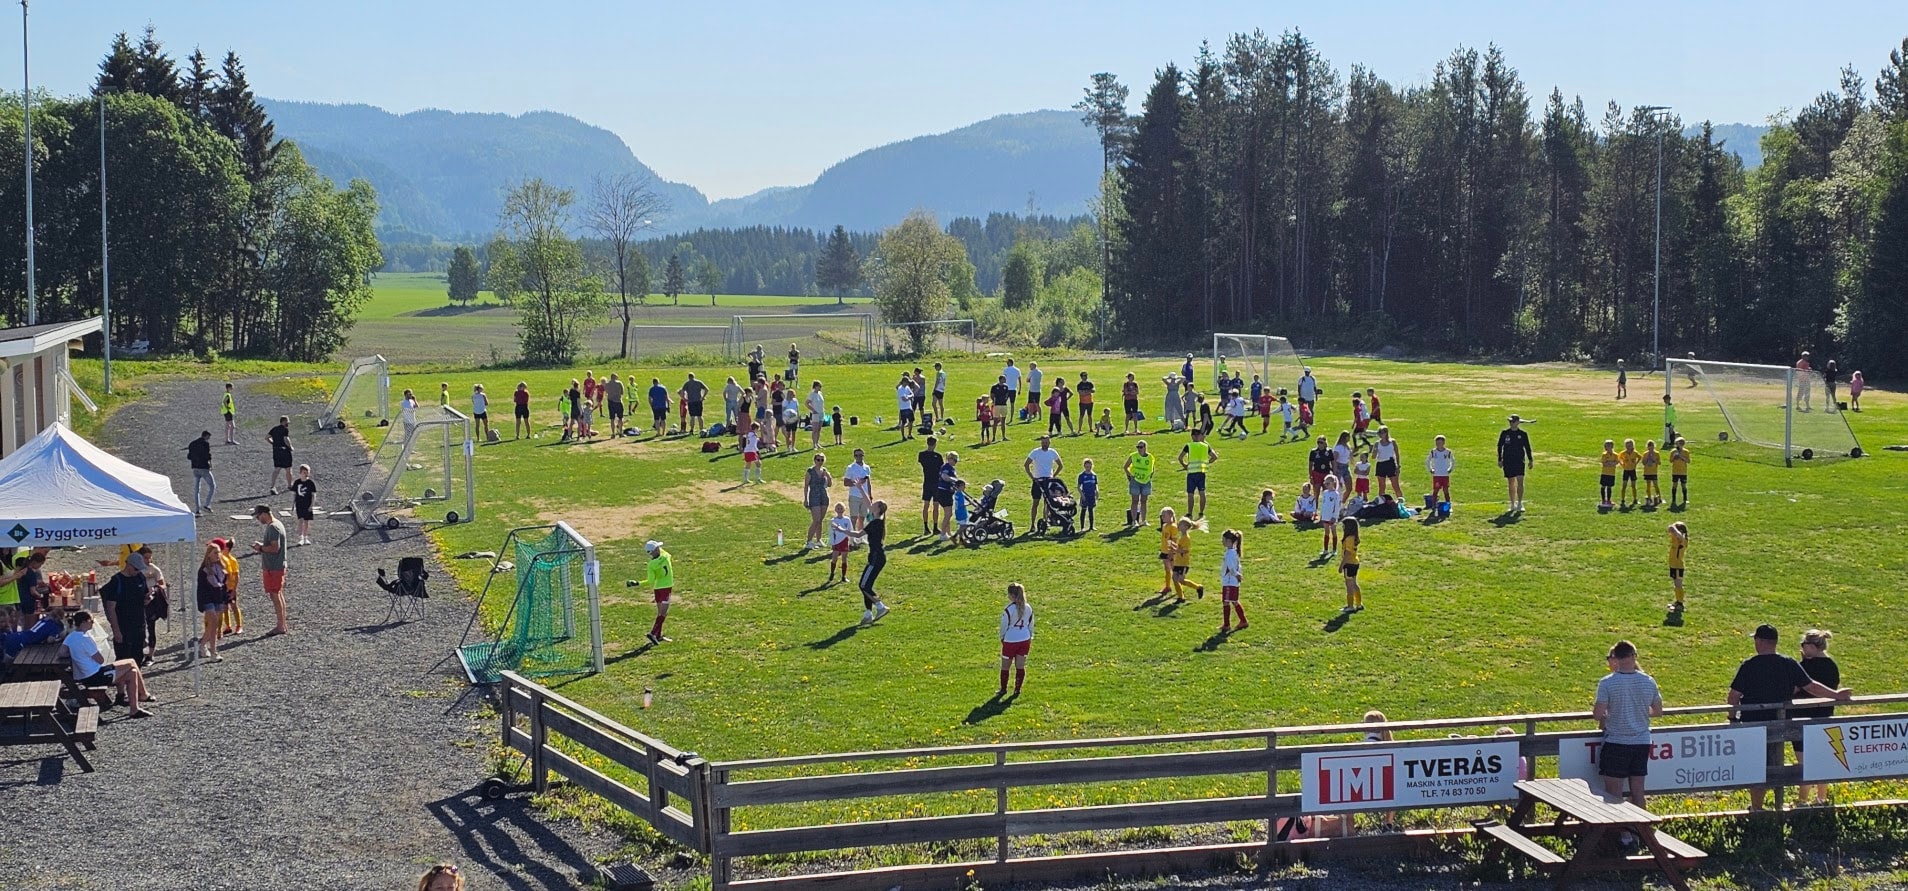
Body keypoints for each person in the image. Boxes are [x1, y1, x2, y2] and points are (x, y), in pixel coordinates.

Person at [1729, 623, 1852, 810]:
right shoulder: (1789, 663)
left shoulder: (1749, 665)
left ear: (1760, 641)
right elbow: (1812, 687)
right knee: (1777, 762)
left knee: (1757, 767)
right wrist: (1837, 695)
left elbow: (1733, 696)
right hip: (1782, 724)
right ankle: (1781, 803)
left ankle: (1757, 808)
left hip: (1754, 724)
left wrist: (1732, 719)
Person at [1594, 640, 1663, 808]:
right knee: (1638, 790)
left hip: (1617, 742)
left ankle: (1618, 833)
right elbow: (1658, 711)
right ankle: (1639, 831)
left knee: (1613, 793)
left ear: (1615, 658)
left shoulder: (1607, 683)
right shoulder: (1648, 681)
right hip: (1641, 742)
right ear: (1634, 656)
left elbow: (1597, 714)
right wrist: (1638, 712)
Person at [64, 611, 153, 717]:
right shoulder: (85, 639)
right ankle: (143, 695)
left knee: (132, 673)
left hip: (86, 674)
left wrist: (76, 655)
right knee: (131, 662)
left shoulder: (71, 636)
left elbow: (61, 652)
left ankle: (134, 708)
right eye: (91, 621)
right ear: (84, 622)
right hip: (95, 675)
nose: (93, 623)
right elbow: (100, 660)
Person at [1795, 629, 1841, 805]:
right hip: (1825, 716)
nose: (1802, 648)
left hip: (1803, 717)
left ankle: (1802, 800)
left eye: (1804, 645)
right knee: (1822, 758)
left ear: (1812, 646)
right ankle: (1821, 797)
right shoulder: (1832, 665)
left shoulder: (1807, 666)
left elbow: (1796, 687)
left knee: (1804, 762)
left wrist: (1803, 663)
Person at [101, 557, 152, 666]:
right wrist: (116, 630)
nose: (137, 571)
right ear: (128, 565)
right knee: (123, 660)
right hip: (123, 626)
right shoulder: (116, 581)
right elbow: (111, 608)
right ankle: (122, 682)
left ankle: (136, 681)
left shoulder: (140, 577)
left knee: (138, 657)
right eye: (136, 569)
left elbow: (144, 600)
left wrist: (148, 598)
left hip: (139, 625)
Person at [251, 505, 290, 636]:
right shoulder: (277, 524)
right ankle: (282, 624)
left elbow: (275, 548)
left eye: (258, 516)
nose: (258, 519)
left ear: (264, 514)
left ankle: (280, 626)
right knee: (278, 594)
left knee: (275, 594)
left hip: (274, 567)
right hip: (276, 566)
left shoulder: (273, 527)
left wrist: (261, 548)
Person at [858, 501, 892, 627]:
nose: (872, 504)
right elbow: (867, 502)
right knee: (866, 585)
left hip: (875, 558)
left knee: (863, 586)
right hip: (876, 557)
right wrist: (861, 488)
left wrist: (841, 530)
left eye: (875, 504)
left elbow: (858, 534)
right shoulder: (877, 520)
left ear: (878, 509)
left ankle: (880, 606)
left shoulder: (874, 523)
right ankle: (868, 614)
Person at [997, 583, 1033, 697]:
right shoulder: (1028, 608)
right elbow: (1031, 624)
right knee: (1020, 666)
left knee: (1005, 666)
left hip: (1011, 640)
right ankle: (1017, 689)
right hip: (1025, 639)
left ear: (1012, 595)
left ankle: (1003, 689)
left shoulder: (1008, 609)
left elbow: (1004, 626)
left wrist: (1002, 637)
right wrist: (1029, 636)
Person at [195, 541, 229, 662]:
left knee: (213, 625)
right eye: (215, 552)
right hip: (207, 599)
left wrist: (226, 598)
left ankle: (202, 644)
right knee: (214, 622)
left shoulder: (221, 567)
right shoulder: (204, 570)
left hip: (218, 598)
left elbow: (223, 585)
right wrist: (201, 603)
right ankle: (214, 652)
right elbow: (201, 589)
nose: (217, 555)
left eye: (219, 552)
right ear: (209, 554)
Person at [1023, 435, 1062, 534]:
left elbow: (1060, 465)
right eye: (1043, 442)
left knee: (1047, 503)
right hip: (1037, 480)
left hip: (1048, 480)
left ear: (1049, 443)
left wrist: (1053, 476)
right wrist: (1032, 477)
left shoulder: (1052, 452)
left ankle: (1045, 522)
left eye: (1046, 442)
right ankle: (1032, 524)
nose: (1044, 444)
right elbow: (1026, 464)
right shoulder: (1035, 452)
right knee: (1035, 503)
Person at [641, 540, 676, 645]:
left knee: (660, 613)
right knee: (663, 613)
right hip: (666, 588)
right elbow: (666, 554)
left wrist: (637, 583)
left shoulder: (651, 564)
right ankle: (653, 633)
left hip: (658, 589)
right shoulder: (665, 556)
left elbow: (650, 581)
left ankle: (658, 635)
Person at [1178, 428, 1217, 520]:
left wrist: (1185, 465)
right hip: (1201, 472)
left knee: (1190, 494)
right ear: (1200, 435)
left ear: (1191, 436)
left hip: (1191, 473)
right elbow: (1214, 457)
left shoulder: (1189, 445)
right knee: (1202, 492)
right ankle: (1201, 512)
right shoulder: (1205, 446)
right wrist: (1207, 462)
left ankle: (1189, 513)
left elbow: (1180, 458)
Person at [1497, 415, 1533, 513]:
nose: (1511, 423)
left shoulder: (1523, 434)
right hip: (1508, 461)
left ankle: (1520, 503)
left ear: (1517, 423)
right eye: (1510, 421)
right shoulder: (1505, 433)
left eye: (1513, 422)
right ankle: (1512, 503)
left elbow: (1527, 447)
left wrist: (1530, 460)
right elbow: (1500, 446)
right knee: (1511, 482)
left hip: (1519, 461)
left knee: (1520, 481)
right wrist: (1500, 459)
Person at [1220, 528, 1248, 633]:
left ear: (1228, 541)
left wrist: (1237, 575)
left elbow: (1231, 568)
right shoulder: (1233, 552)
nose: (1222, 541)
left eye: (1223, 540)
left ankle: (1229, 624)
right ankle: (1240, 621)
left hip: (1229, 582)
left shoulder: (1230, 554)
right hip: (1232, 582)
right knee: (1232, 601)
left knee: (1227, 602)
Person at [803, 453, 833, 550]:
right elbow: (806, 486)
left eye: (821, 460)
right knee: (816, 520)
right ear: (814, 460)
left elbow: (829, 485)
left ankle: (818, 540)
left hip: (823, 496)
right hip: (814, 496)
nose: (820, 462)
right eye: (818, 460)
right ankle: (809, 541)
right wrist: (805, 499)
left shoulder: (824, 471)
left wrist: (828, 476)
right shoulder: (810, 471)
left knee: (820, 520)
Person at [1123, 440, 1155, 528]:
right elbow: (1126, 467)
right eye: (1138, 447)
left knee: (1144, 501)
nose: (1139, 449)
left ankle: (1144, 520)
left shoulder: (1150, 457)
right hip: (1135, 481)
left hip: (1146, 481)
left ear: (1145, 448)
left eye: (1141, 447)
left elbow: (1152, 469)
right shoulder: (1133, 456)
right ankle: (1134, 520)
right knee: (1135, 501)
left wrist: (1149, 477)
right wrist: (1130, 476)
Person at [917, 436, 944, 536]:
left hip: (927, 482)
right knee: (936, 506)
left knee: (926, 505)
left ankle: (925, 527)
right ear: (935, 444)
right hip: (936, 482)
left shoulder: (922, 455)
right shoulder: (938, 456)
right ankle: (935, 527)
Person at [217, 537, 244, 636]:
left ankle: (239, 625)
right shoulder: (221, 559)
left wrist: (234, 589)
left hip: (230, 587)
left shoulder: (232, 560)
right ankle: (227, 626)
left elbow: (236, 575)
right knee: (224, 607)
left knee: (234, 606)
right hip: (223, 588)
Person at [843, 448, 872, 533]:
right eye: (857, 455)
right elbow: (846, 482)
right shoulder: (850, 467)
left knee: (862, 517)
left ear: (863, 456)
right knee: (853, 517)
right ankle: (852, 537)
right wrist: (857, 483)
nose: (859, 457)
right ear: (854, 456)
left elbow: (868, 482)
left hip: (865, 496)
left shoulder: (867, 467)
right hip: (854, 495)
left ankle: (860, 536)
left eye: (860, 455)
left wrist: (870, 495)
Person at [265, 415, 296, 494]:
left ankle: (272, 486)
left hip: (276, 451)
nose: (287, 424)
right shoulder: (285, 430)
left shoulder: (274, 429)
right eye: (287, 422)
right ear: (283, 421)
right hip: (285, 451)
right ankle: (290, 485)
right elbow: (286, 439)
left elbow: (267, 437)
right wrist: (291, 447)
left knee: (277, 469)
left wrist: (273, 443)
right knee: (288, 469)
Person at [187, 430, 216, 515]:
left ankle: (197, 510)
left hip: (195, 468)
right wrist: (210, 464)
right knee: (212, 486)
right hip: (204, 468)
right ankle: (206, 505)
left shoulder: (192, 444)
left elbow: (189, 456)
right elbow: (207, 456)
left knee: (196, 489)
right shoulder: (205, 444)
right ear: (206, 436)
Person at [825, 503, 854, 584]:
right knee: (834, 558)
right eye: (838, 508)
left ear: (844, 509)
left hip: (844, 541)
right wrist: (832, 543)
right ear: (835, 510)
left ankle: (844, 576)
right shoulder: (833, 521)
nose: (839, 509)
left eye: (841, 508)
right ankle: (832, 573)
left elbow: (850, 530)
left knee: (844, 559)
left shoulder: (847, 520)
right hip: (836, 542)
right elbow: (831, 533)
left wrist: (851, 541)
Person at [1371, 427, 1402, 499]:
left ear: (1386, 433)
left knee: (1395, 485)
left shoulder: (1392, 442)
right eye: (1380, 433)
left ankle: (1401, 502)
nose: (1381, 435)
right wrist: (1374, 450)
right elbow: (1373, 457)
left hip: (1390, 463)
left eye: (1383, 433)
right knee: (1381, 486)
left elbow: (1397, 454)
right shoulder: (1377, 443)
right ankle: (1381, 503)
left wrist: (1398, 465)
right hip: (1381, 464)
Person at [1340, 516, 1363, 613]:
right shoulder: (1354, 537)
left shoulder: (1348, 538)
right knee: (1354, 583)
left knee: (1349, 585)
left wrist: (1341, 565)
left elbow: (1347, 553)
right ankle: (1358, 604)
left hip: (1349, 563)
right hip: (1355, 562)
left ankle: (1350, 606)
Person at [936, 452, 961, 539]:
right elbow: (944, 476)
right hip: (944, 492)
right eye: (954, 460)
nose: (955, 462)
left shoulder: (951, 468)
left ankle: (948, 533)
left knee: (947, 513)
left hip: (947, 492)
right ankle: (943, 534)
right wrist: (954, 480)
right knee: (949, 514)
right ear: (950, 459)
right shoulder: (946, 467)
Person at [1666, 522, 1689, 614]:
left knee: (1678, 584)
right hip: (1673, 565)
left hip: (1678, 566)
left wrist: (1673, 527)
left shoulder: (1681, 540)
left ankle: (1680, 603)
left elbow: (1671, 528)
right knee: (1676, 584)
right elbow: (1669, 529)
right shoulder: (1676, 539)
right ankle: (1678, 601)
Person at [1318, 476, 1343, 558]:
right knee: (1326, 532)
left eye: (1328, 483)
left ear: (1333, 483)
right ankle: (1325, 549)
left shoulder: (1336, 494)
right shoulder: (1325, 493)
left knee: (1333, 531)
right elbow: (1323, 504)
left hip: (1332, 516)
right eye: (1326, 483)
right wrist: (1321, 514)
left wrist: (1335, 516)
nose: (1326, 485)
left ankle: (1334, 550)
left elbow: (1337, 506)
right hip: (1325, 515)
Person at [1426, 435, 1455, 506]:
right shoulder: (1433, 452)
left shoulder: (1448, 452)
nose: (1438, 445)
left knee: (1446, 490)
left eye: (1440, 443)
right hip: (1437, 474)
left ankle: (1448, 504)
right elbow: (1428, 461)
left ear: (1443, 443)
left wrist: (1450, 469)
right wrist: (1431, 469)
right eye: (1437, 443)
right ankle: (1434, 505)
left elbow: (1453, 461)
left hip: (1445, 474)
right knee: (1436, 490)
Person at [1617, 438, 1641, 508]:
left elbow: (1640, 457)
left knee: (1633, 486)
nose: (1628, 447)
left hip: (1632, 470)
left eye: (1630, 445)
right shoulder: (1623, 453)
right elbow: (1618, 458)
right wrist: (1622, 464)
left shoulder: (1635, 452)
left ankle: (1635, 499)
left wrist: (1636, 463)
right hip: (1626, 471)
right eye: (1627, 445)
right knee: (1624, 486)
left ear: (1632, 445)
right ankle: (1622, 499)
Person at [1077, 458, 1099, 531]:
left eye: (1089, 467)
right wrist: (1082, 495)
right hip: (1085, 495)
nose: (1088, 468)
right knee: (1083, 510)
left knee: (1091, 510)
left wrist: (1097, 491)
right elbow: (1078, 487)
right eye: (1087, 467)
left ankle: (1091, 526)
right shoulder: (1082, 475)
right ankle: (1082, 527)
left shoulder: (1094, 475)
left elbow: (1096, 485)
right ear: (1084, 466)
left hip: (1091, 495)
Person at [1668, 437, 1691, 508]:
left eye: (1678, 444)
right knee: (1674, 485)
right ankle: (1674, 499)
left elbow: (1688, 461)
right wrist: (1674, 457)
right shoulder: (1673, 451)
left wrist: (1681, 456)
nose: (1677, 446)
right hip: (1675, 471)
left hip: (1683, 472)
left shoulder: (1686, 452)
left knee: (1683, 485)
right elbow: (1671, 461)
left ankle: (1685, 499)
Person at [803, 381, 826, 451]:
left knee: (819, 429)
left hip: (821, 412)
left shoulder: (820, 394)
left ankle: (817, 442)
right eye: (819, 386)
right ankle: (814, 444)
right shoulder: (812, 394)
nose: (820, 388)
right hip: (815, 413)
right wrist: (813, 410)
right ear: (815, 386)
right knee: (815, 429)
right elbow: (807, 403)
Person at [989, 376, 1012, 441]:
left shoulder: (1006, 387)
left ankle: (1003, 436)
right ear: (1000, 379)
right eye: (1004, 379)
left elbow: (1007, 394)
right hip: (997, 405)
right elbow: (992, 395)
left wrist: (1005, 400)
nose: (1005, 380)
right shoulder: (994, 387)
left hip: (1004, 405)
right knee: (995, 421)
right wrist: (994, 401)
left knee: (1003, 421)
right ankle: (993, 437)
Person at [1598, 439, 1619, 509]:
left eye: (1610, 446)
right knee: (1603, 486)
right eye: (1607, 446)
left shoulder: (1615, 455)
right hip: (1605, 473)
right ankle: (1603, 500)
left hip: (1612, 474)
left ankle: (1609, 500)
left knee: (1609, 487)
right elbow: (1604, 464)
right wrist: (1611, 463)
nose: (1608, 448)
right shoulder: (1604, 455)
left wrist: (1610, 463)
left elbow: (1617, 462)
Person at [895, 374, 917, 441]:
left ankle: (909, 434)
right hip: (903, 408)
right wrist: (909, 397)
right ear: (904, 382)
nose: (908, 383)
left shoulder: (907, 387)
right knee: (903, 423)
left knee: (911, 421)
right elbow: (904, 399)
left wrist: (908, 396)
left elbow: (912, 394)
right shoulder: (900, 389)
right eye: (907, 382)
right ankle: (903, 436)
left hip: (909, 407)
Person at [1641, 441, 1663, 508]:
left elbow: (1659, 463)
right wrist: (1647, 458)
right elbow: (1643, 463)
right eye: (1649, 447)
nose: (1651, 449)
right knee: (1648, 486)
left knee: (1656, 485)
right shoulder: (1645, 454)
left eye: (1652, 447)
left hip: (1654, 471)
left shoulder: (1656, 453)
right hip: (1647, 472)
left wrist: (1654, 459)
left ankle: (1659, 497)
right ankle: (1649, 498)